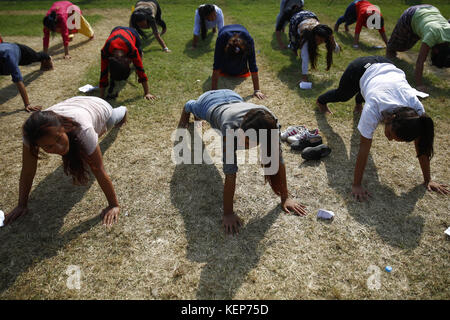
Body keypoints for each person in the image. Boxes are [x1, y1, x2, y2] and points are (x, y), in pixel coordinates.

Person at [316, 56, 449, 200]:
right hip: (362, 67)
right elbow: (363, 148)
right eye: (391, 134)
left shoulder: (416, 113)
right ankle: (321, 100)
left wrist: (428, 180)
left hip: (385, 73)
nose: (389, 139)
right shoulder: (374, 106)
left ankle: (359, 101)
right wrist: (356, 185)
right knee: (342, 95)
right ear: (391, 118)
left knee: (368, 89)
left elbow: (422, 146)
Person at [178, 89, 308, 234]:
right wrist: (228, 213)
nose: (241, 142)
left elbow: (278, 161)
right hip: (209, 101)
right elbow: (230, 173)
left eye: (246, 142)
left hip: (234, 98)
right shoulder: (230, 128)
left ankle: (197, 115)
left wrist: (285, 198)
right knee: (193, 106)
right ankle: (191, 111)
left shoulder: (271, 124)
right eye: (241, 137)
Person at [4, 96, 128, 227]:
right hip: (75, 106)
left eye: (59, 139)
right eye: (49, 147)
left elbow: (98, 169)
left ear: (65, 128)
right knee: (84, 147)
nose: (59, 148)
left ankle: (122, 110)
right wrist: (21, 205)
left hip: (99, 106)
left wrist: (113, 205)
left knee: (112, 119)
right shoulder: (30, 136)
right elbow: (28, 171)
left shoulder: (83, 129)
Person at [386, 4, 450, 92]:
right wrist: (419, 85)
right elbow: (420, 62)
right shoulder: (431, 35)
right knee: (400, 46)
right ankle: (389, 52)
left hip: (431, 8)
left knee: (418, 33)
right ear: (435, 50)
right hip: (411, 14)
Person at [99, 26, 156, 101]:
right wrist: (101, 97)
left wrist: (147, 93)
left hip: (132, 33)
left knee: (138, 59)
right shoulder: (105, 51)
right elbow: (103, 73)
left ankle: (140, 54)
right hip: (116, 30)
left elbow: (140, 70)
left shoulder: (132, 49)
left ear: (128, 60)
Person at [212, 24, 266, 100]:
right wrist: (213, 92)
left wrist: (257, 90)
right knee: (225, 70)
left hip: (242, 35)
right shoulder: (221, 39)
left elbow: (252, 65)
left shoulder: (248, 40)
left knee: (239, 71)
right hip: (224, 36)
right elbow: (216, 64)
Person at [288, 10, 340, 84]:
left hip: (310, 15)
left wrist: (333, 42)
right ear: (313, 36)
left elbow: (337, 51)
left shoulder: (327, 35)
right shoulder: (306, 35)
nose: (318, 42)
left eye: (321, 41)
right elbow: (305, 57)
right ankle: (294, 50)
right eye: (316, 39)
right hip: (296, 19)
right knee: (294, 43)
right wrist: (304, 78)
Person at [0, 42, 53, 112]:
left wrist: (27, 104)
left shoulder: (9, 59)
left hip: (21, 51)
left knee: (36, 57)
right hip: (6, 47)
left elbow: (19, 81)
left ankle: (47, 57)